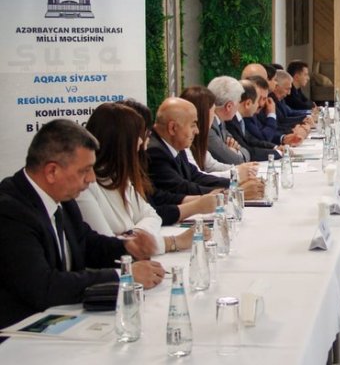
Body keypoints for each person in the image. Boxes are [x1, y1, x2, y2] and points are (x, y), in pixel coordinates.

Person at [0, 119, 164, 328]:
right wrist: (124, 275)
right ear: (52, 172)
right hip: (17, 333)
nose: (92, 179)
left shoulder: (63, 200)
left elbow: (85, 243)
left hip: (60, 319)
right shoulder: (10, 211)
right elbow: (43, 286)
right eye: (84, 170)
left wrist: (127, 247)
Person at [77, 103, 196, 255]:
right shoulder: (85, 186)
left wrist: (133, 235)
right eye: (137, 136)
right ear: (120, 143)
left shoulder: (119, 177)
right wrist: (170, 242)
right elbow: (106, 246)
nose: (141, 142)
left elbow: (151, 215)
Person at [118, 98, 221, 226]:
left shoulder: (176, 146)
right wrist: (197, 205)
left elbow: (155, 196)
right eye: (145, 134)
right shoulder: (154, 152)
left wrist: (213, 195)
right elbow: (157, 207)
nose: (145, 140)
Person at [146, 97, 230, 196]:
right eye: (193, 125)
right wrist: (228, 193)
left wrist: (234, 184)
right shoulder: (154, 152)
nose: (197, 131)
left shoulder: (175, 143)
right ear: (173, 128)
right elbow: (181, 188)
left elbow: (196, 176)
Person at [226, 80, 283, 160]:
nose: (260, 104)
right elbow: (248, 150)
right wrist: (278, 153)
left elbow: (251, 140)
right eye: (257, 101)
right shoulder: (230, 121)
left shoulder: (239, 119)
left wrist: (275, 147)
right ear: (248, 103)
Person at [206, 76, 251, 165]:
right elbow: (235, 161)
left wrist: (236, 151)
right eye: (239, 102)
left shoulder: (221, 121)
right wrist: (234, 152)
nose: (239, 106)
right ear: (229, 106)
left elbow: (246, 151)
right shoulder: (208, 127)